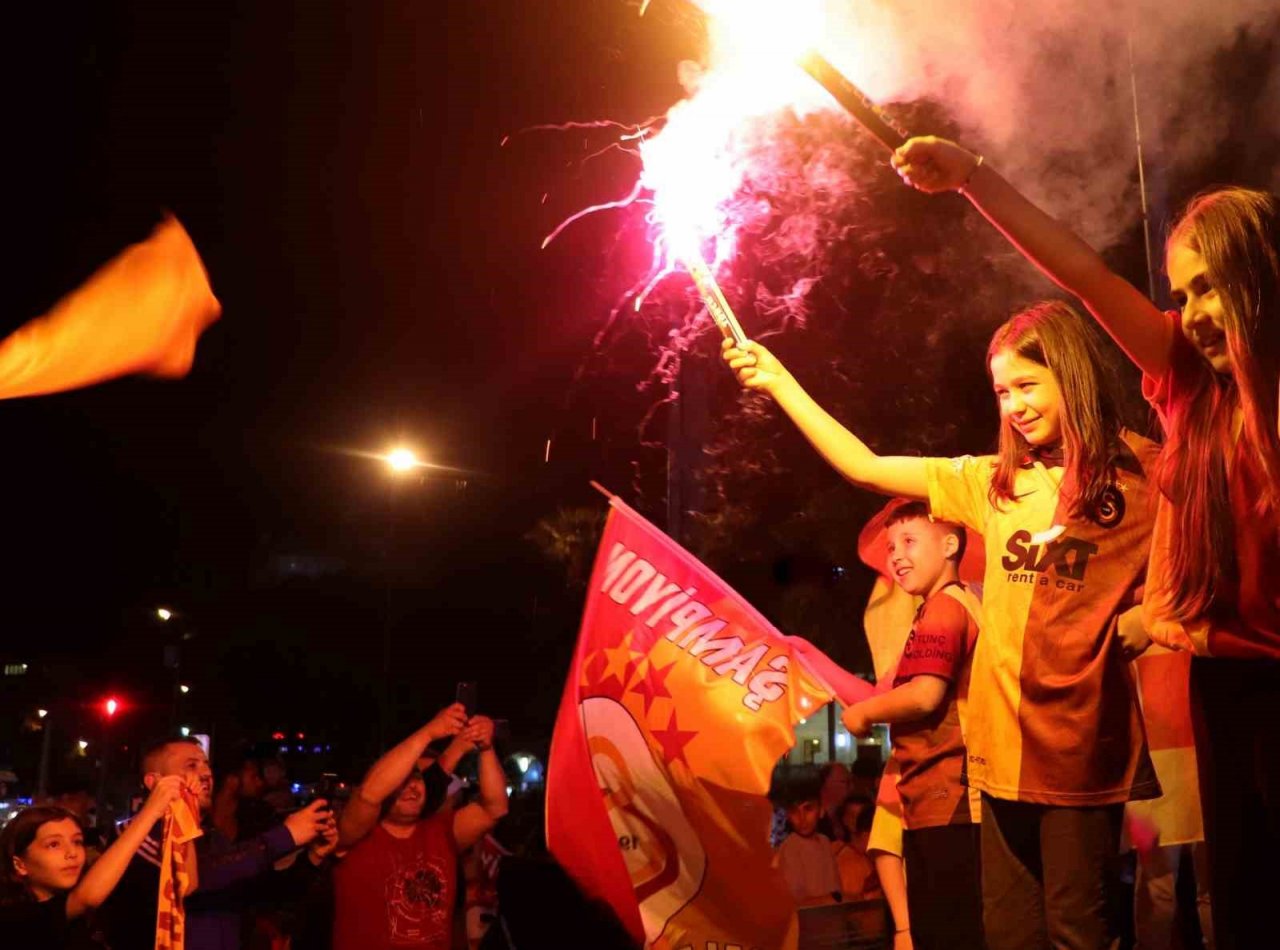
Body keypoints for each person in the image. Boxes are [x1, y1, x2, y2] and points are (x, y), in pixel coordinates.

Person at [892, 136, 1280, 950]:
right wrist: (973, 180)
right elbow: (1089, 278)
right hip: (1229, 691)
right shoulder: (1188, 386)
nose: (1196, 313)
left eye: (1212, 288)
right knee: (1247, 906)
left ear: (1264, 277)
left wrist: (1165, 619)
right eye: (1183, 293)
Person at [723, 297, 1161, 950]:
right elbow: (865, 467)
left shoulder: (1145, 477)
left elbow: (1205, 566)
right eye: (1002, 391)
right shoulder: (995, 484)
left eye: (1027, 385)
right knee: (1008, 936)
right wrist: (778, 380)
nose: (1013, 406)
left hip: (1080, 754)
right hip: (998, 759)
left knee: (1078, 933)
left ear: (1073, 374)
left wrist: (1145, 622)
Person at [840, 501, 983, 950]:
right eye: (890, 547)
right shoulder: (942, 607)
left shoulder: (944, 609)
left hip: (953, 801)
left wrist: (865, 713)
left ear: (950, 545)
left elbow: (925, 694)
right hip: (940, 802)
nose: (896, 556)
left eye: (909, 541)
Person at [98, 735, 333, 950]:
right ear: (154, 782)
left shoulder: (212, 837)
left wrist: (312, 858)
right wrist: (286, 835)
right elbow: (196, 878)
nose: (205, 773)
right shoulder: (135, 834)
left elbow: (261, 893)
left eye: (206, 764)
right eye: (191, 765)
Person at [333, 703, 510, 950]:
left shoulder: (442, 831)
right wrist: (429, 732)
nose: (412, 786)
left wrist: (487, 748)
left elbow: (496, 808)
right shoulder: (353, 837)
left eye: (416, 777)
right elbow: (369, 794)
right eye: (400, 781)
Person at [1, 775, 189, 949]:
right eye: (53, 845)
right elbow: (87, 897)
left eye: (77, 841)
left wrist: (185, 813)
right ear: (20, 864)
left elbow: (187, 885)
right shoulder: (15, 918)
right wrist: (151, 810)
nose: (72, 853)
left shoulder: (88, 916)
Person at [773, 782, 842, 906]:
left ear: (821, 810)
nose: (802, 817)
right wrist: (835, 900)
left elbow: (835, 890)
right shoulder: (791, 847)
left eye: (808, 809)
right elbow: (798, 903)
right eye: (795, 811)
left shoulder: (824, 842)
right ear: (788, 815)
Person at [815, 761, 853, 843]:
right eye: (844, 782)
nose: (850, 788)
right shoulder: (812, 818)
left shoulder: (845, 816)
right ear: (826, 783)